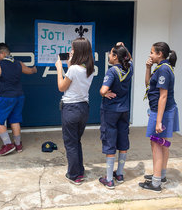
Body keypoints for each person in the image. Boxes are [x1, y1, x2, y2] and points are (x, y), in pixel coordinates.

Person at [0, 43, 37, 156]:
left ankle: (8, 144)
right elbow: (30, 71)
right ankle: (18, 145)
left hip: (6, 97)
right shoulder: (18, 63)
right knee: (15, 120)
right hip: (19, 96)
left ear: (3, 53)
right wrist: (35, 69)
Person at [139, 42, 179, 192]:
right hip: (163, 111)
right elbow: (148, 84)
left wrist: (159, 121)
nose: (150, 55)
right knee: (162, 144)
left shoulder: (163, 70)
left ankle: (156, 183)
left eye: (152, 52)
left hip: (161, 112)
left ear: (160, 54)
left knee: (157, 146)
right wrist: (148, 68)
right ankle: (160, 175)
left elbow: (163, 96)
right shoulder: (162, 67)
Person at [55, 37, 94, 185]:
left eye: (72, 48)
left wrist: (60, 69)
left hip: (71, 108)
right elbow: (77, 79)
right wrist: (69, 64)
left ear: (77, 51)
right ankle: (79, 170)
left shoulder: (73, 69)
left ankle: (74, 175)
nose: (70, 51)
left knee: (70, 143)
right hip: (83, 108)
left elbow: (61, 87)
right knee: (76, 141)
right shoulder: (89, 68)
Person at [98, 43, 133, 189]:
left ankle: (109, 179)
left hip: (111, 111)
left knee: (110, 141)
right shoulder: (129, 68)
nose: (108, 55)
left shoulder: (112, 71)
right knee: (123, 141)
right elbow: (129, 58)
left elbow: (103, 90)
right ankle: (119, 173)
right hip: (124, 111)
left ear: (115, 57)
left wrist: (104, 93)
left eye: (111, 53)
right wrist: (123, 47)